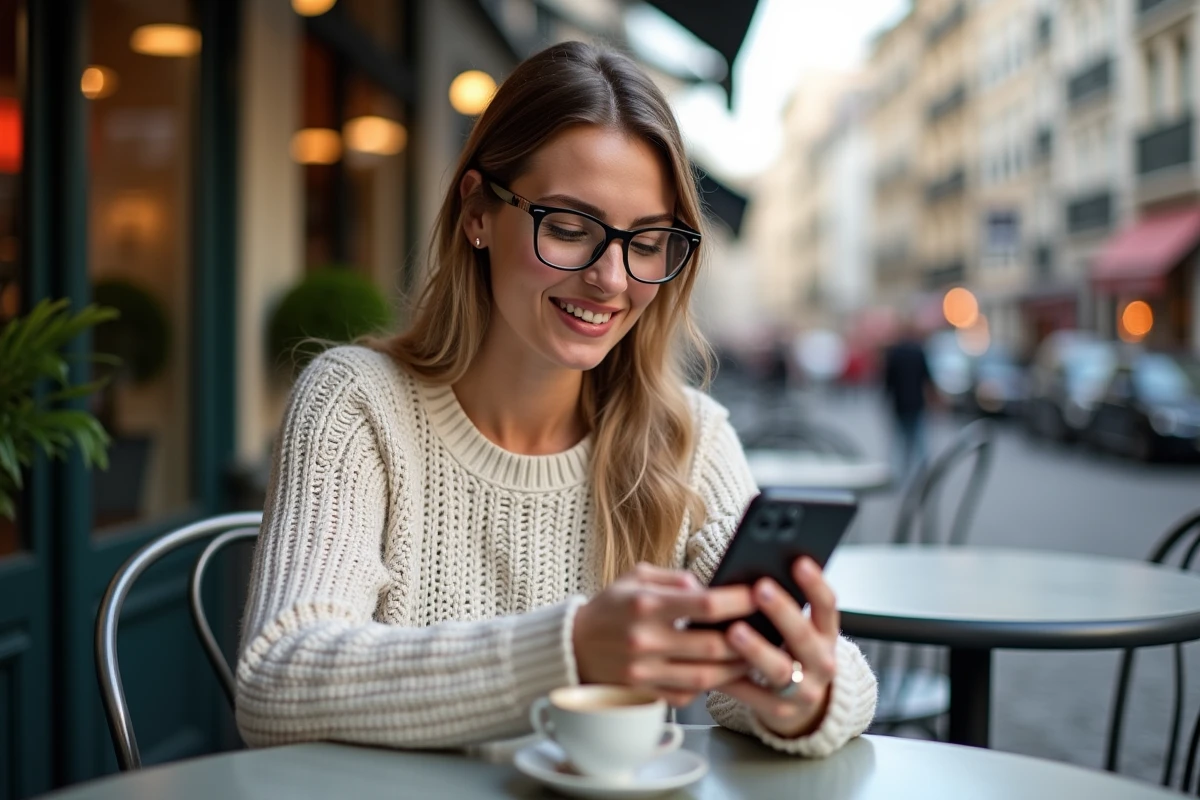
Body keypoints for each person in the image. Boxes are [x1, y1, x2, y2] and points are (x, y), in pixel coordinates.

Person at [236, 41, 877, 758]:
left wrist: (801, 693)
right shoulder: (357, 404)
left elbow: (790, 676)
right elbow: (277, 680)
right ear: (478, 213)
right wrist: (569, 649)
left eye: (646, 242)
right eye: (570, 229)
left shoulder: (685, 439)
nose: (612, 279)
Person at [883, 318, 934, 479]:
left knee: (901, 441)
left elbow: (888, 381)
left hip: (899, 403)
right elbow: (928, 378)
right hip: (916, 402)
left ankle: (901, 473)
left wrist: (885, 400)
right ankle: (924, 472)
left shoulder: (895, 353)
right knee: (918, 440)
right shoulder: (918, 352)